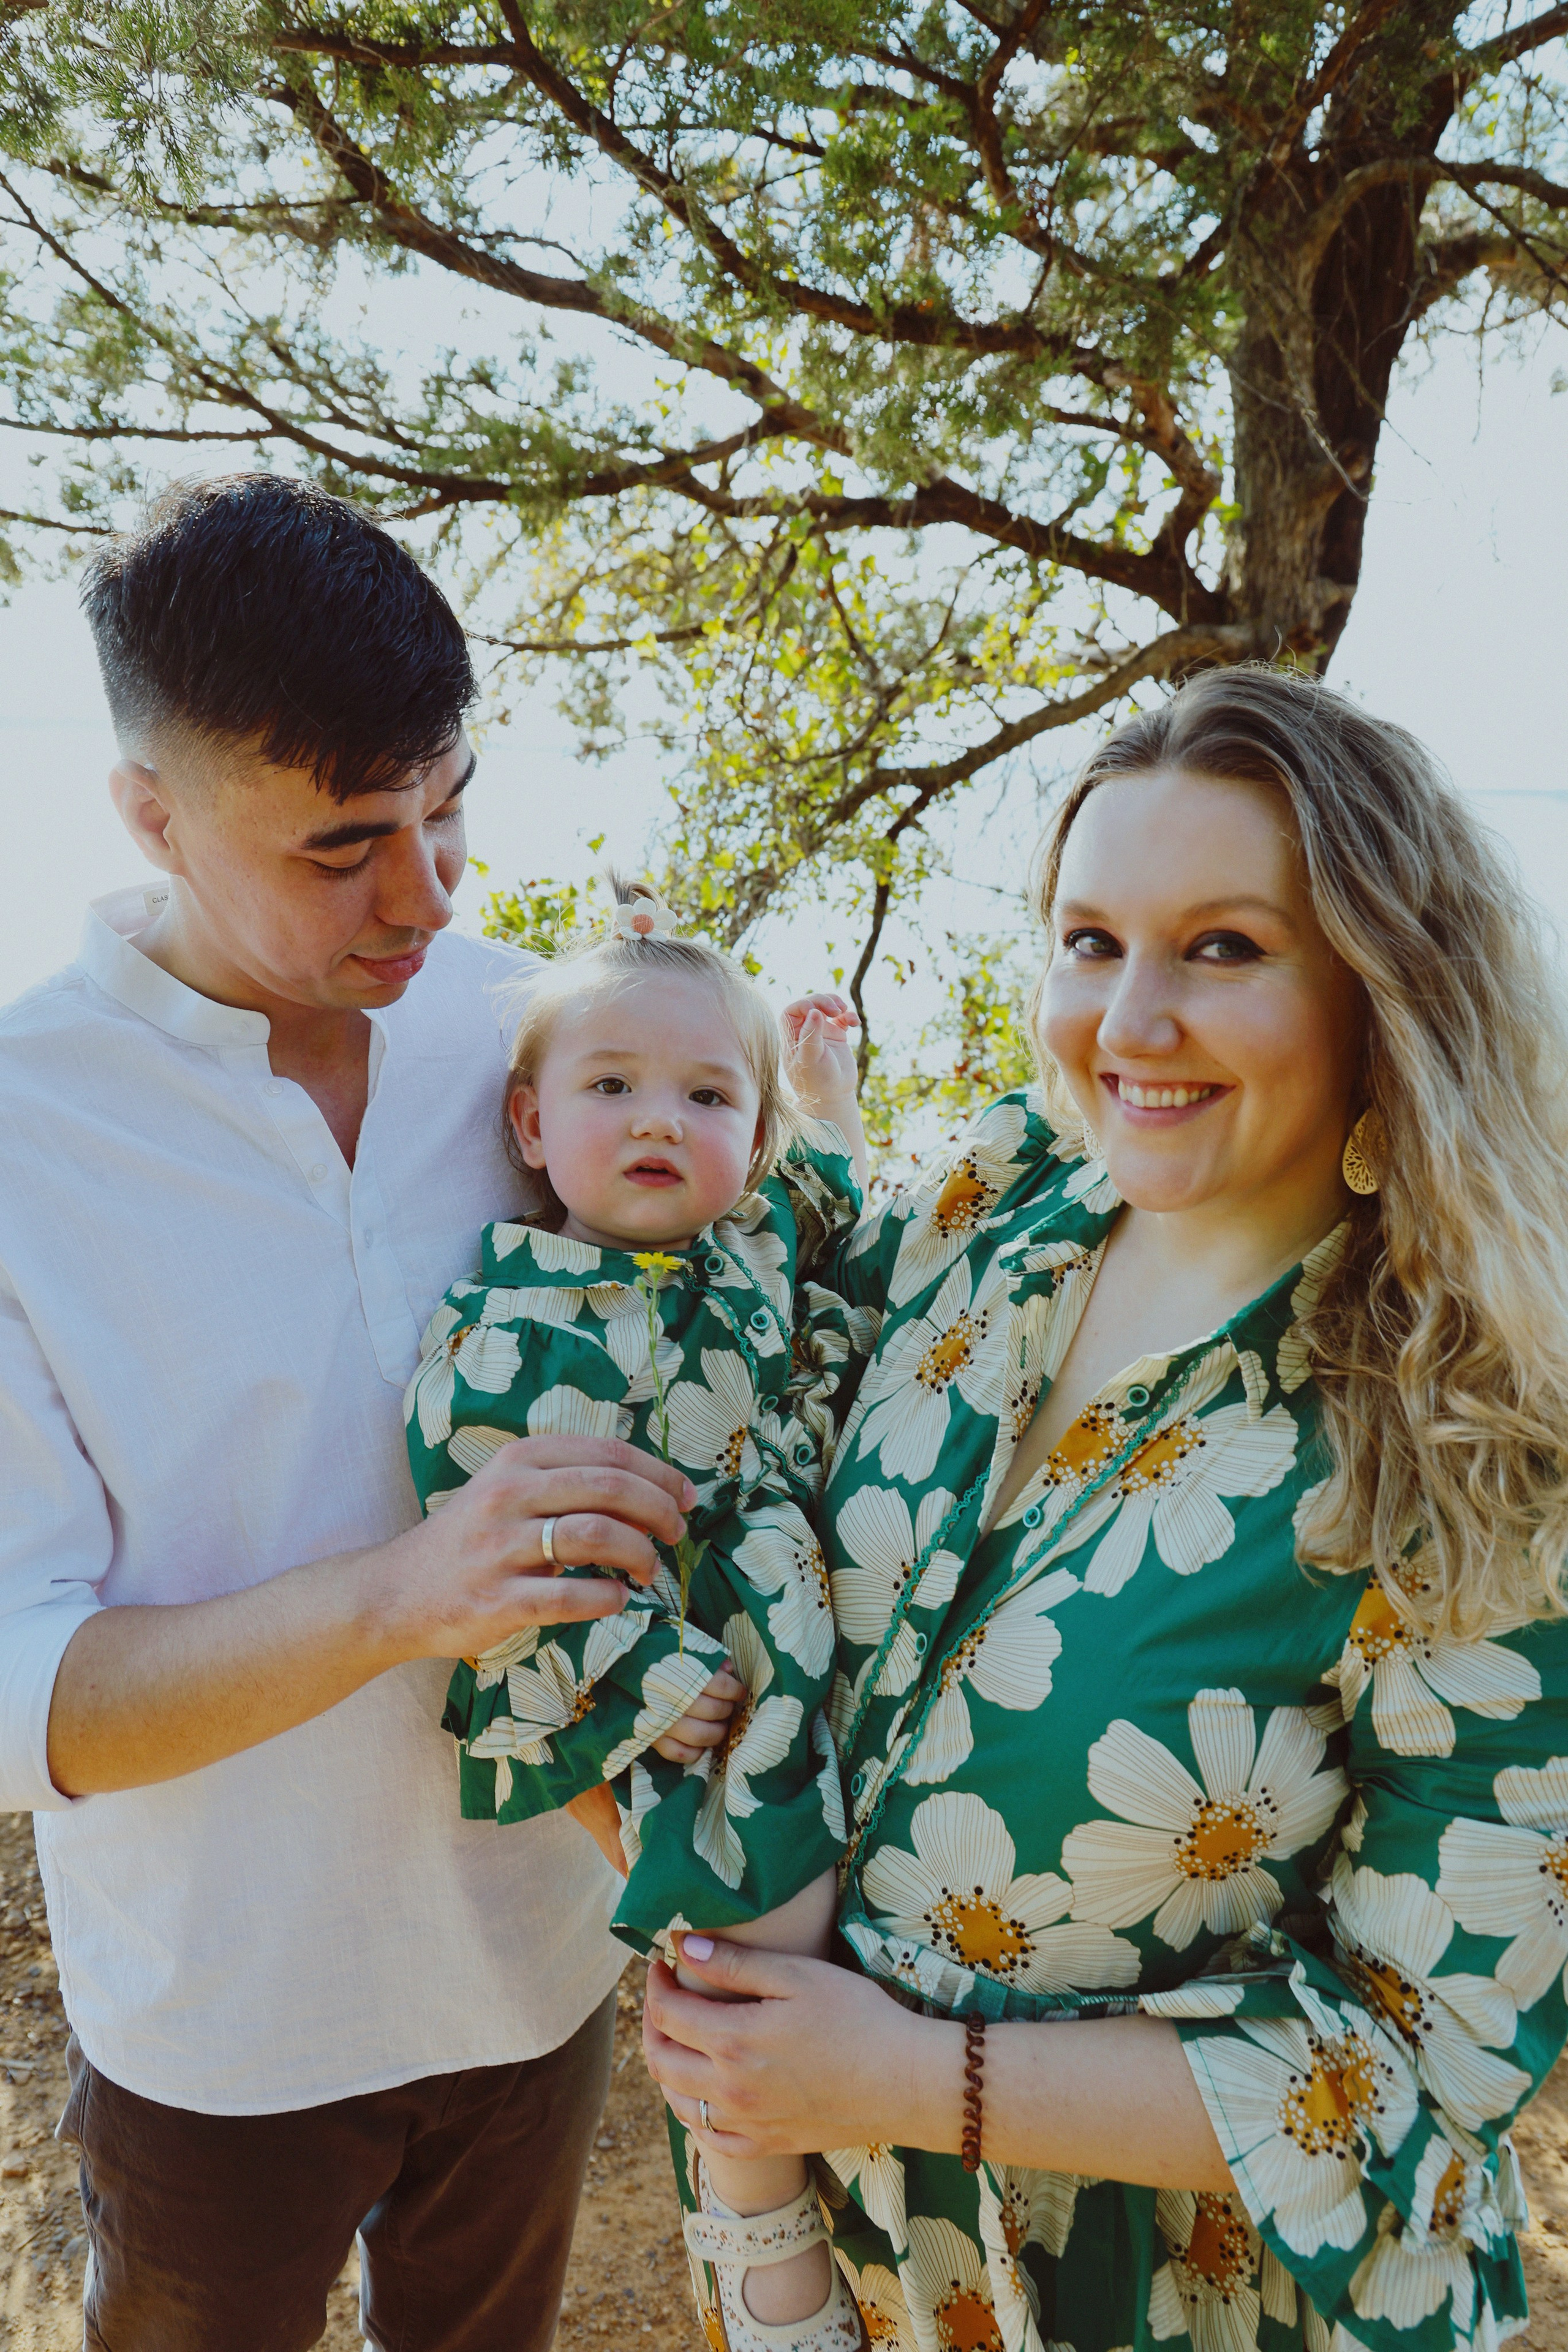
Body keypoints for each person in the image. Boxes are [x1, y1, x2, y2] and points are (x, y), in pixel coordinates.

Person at [641, 666, 1568, 2352]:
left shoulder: (1469, 1448)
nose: (1128, 1023)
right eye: (1090, 941)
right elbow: (741, 1377)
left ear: (1382, 988)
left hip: (1193, 2302)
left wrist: (916, 2077)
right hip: (853, 2265)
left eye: (1223, 948)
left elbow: (1428, 2071)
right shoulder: (989, 1217)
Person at [0, 473, 706, 2352]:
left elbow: (713, 1315)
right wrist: (411, 1596)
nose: (428, 896)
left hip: (543, 1976)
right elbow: (30, 1697)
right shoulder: (17, 1130)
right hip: (222, 2034)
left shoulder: (529, 1037)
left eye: (447, 809)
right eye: (339, 849)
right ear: (151, 814)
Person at [405, 878, 872, 2351]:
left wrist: (827, 1095)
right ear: (532, 1127)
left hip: (801, 1643)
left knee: (839, 1931)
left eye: (708, 1095)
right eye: (612, 1086)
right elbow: (494, 1532)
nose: (662, 1120)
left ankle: (855, 2188)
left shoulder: (745, 1256)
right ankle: (756, 2235)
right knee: (754, 1925)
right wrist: (654, 1677)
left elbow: (836, 1226)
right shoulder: (513, 1313)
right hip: (658, 1675)